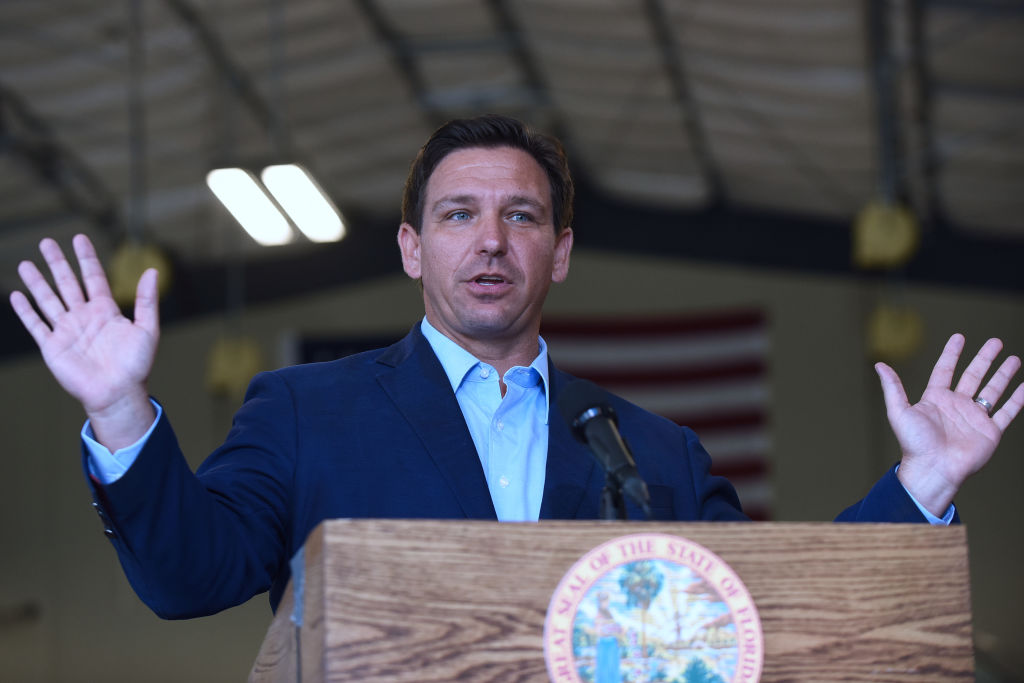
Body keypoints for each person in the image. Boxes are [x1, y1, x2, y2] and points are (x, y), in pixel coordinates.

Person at [9, 115, 1024, 619]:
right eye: (458, 214)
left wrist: (919, 486)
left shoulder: (653, 453)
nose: (489, 240)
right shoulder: (303, 411)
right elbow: (191, 576)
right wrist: (121, 410)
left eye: (521, 215)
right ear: (411, 247)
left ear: (561, 252)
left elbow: (751, 612)